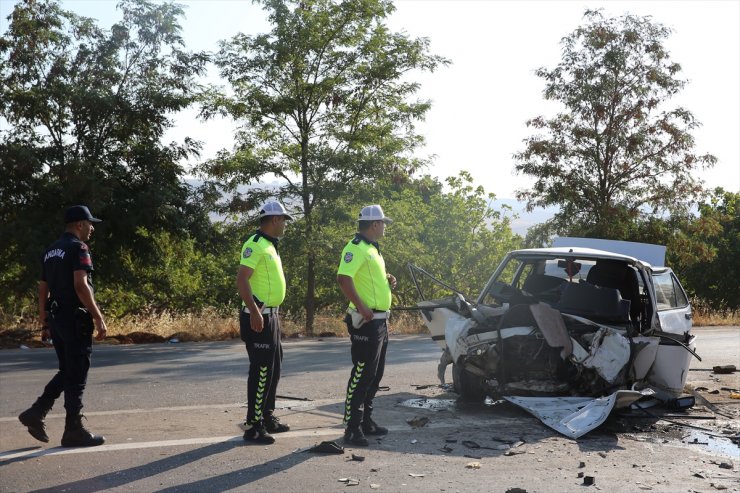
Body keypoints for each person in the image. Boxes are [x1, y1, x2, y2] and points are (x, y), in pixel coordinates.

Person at [19, 205, 107, 447]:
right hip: (74, 318)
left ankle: (36, 412)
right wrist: (98, 316)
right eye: (90, 224)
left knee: (68, 369)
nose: (91, 229)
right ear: (79, 224)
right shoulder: (79, 248)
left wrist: (44, 319)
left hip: (57, 318)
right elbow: (81, 285)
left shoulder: (50, 250)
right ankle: (73, 429)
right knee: (76, 373)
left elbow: (42, 288)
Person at [337, 204, 397, 446]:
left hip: (380, 322)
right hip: (366, 323)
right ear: (374, 225)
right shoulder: (356, 248)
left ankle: (366, 422)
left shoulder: (373, 249)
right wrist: (361, 306)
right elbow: (343, 278)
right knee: (361, 374)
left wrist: (387, 279)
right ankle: (352, 427)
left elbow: (367, 279)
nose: (384, 227)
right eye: (383, 223)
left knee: (375, 374)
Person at [237, 201, 293, 444]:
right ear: (274, 220)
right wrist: (254, 312)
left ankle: (267, 416)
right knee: (261, 371)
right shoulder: (255, 244)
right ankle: (253, 425)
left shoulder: (271, 245)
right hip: (258, 316)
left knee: (274, 368)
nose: (285, 224)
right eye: (283, 220)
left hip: (271, 315)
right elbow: (242, 280)